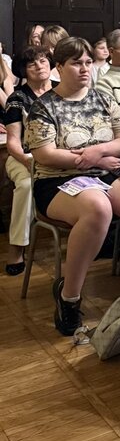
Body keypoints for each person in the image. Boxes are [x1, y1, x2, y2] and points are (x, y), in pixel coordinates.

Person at [24, 37, 120, 335]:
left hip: (105, 172)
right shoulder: (44, 106)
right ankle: (69, 296)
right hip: (57, 180)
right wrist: (95, 157)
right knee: (98, 207)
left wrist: (98, 153)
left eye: (88, 62)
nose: (84, 69)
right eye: (76, 63)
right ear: (59, 67)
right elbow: (45, 154)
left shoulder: (102, 98)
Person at [1, 47, 52, 275]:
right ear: (23, 70)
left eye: (43, 60)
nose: (39, 66)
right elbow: (13, 142)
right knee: (25, 185)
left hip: (58, 155)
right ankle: (17, 249)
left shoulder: (62, 91)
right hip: (24, 156)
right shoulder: (17, 98)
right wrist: (28, 161)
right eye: (32, 64)